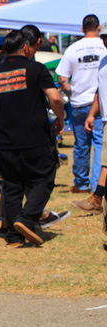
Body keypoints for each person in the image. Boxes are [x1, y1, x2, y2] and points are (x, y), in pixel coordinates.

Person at [0, 30, 65, 246]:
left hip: (5, 138)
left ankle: (14, 237)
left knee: (13, 185)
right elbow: (54, 96)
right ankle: (26, 219)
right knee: (44, 179)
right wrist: (60, 118)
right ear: (25, 48)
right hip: (34, 136)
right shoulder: (36, 69)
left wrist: (3, 110)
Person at [55, 14, 106, 194]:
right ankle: (97, 184)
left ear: (82, 29)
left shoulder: (73, 49)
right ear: (99, 28)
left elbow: (62, 78)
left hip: (79, 103)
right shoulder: (104, 46)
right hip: (101, 103)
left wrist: (71, 92)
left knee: (81, 145)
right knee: (100, 144)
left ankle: (81, 183)